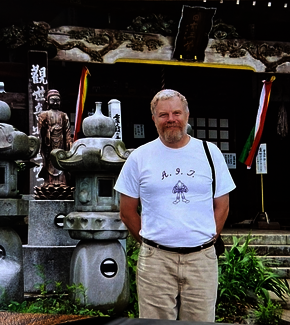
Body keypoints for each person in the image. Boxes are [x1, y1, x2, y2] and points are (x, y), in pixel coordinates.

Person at [114, 89, 235, 322]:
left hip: (201, 260)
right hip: (156, 262)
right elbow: (127, 212)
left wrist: (208, 237)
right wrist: (153, 242)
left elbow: (222, 205)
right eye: (163, 114)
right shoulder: (140, 157)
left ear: (187, 115)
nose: (171, 119)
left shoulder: (210, 153)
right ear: (154, 119)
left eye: (176, 113)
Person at [37, 89, 73, 186]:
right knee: (50, 161)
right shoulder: (44, 114)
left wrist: (69, 143)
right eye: (53, 100)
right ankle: (49, 182)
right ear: (47, 101)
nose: (56, 102)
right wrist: (47, 131)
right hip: (49, 142)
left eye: (58, 100)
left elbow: (67, 131)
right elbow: (41, 130)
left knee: (60, 160)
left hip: (61, 142)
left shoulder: (63, 115)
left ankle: (62, 182)